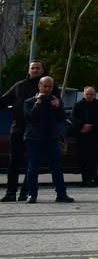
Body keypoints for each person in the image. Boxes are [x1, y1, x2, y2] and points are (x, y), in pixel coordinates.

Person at [22, 75, 73, 203]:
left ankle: (61, 194)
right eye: (45, 86)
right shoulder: (29, 101)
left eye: (50, 86)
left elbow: (62, 118)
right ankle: (31, 194)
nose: (47, 89)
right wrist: (38, 103)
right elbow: (31, 117)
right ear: (39, 86)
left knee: (56, 167)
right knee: (33, 168)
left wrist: (57, 107)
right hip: (34, 138)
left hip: (51, 138)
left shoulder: (55, 101)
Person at [0, 60, 44, 201]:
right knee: (14, 161)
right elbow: (4, 101)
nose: (35, 70)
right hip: (18, 129)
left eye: (38, 68)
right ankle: (10, 193)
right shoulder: (19, 86)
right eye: (33, 68)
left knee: (32, 163)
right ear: (29, 70)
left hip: (36, 131)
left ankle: (26, 192)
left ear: (42, 70)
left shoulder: (47, 86)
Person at [71, 85, 98, 186]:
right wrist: (82, 125)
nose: (89, 96)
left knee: (92, 158)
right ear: (84, 94)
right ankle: (85, 179)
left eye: (91, 94)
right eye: (87, 94)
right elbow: (73, 118)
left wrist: (91, 126)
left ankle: (92, 178)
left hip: (94, 135)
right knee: (83, 158)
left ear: (95, 95)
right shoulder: (78, 105)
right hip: (81, 135)